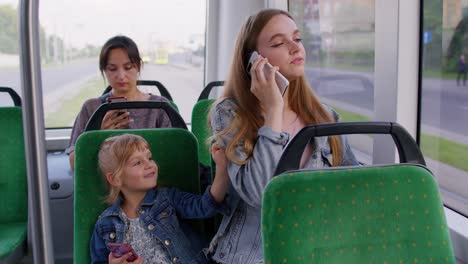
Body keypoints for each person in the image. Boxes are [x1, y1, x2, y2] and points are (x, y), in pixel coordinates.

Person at [206, 9, 359, 263]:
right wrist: (274, 110)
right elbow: (260, 195)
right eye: (278, 43)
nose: (294, 48)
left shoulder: (325, 116)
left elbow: (352, 187)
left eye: (297, 39)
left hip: (315, 252)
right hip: (251, 256)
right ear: (253, 60)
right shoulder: (230, 113)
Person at [90, 134, 229, 264]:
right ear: (115, 178)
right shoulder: (106, 224)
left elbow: (206, 207)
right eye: (137, 162)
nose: (149, 164)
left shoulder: (167, 199)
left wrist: (222, 168)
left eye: (149, 158)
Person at [66, 35, 172, 170]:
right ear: (104, 70)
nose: (121, 76)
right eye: (112, 69)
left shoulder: (160, 107)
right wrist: (98, 137)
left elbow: (174, 159)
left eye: (128, 67)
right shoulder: (91, 108)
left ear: (138, 67)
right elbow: (74, 164)